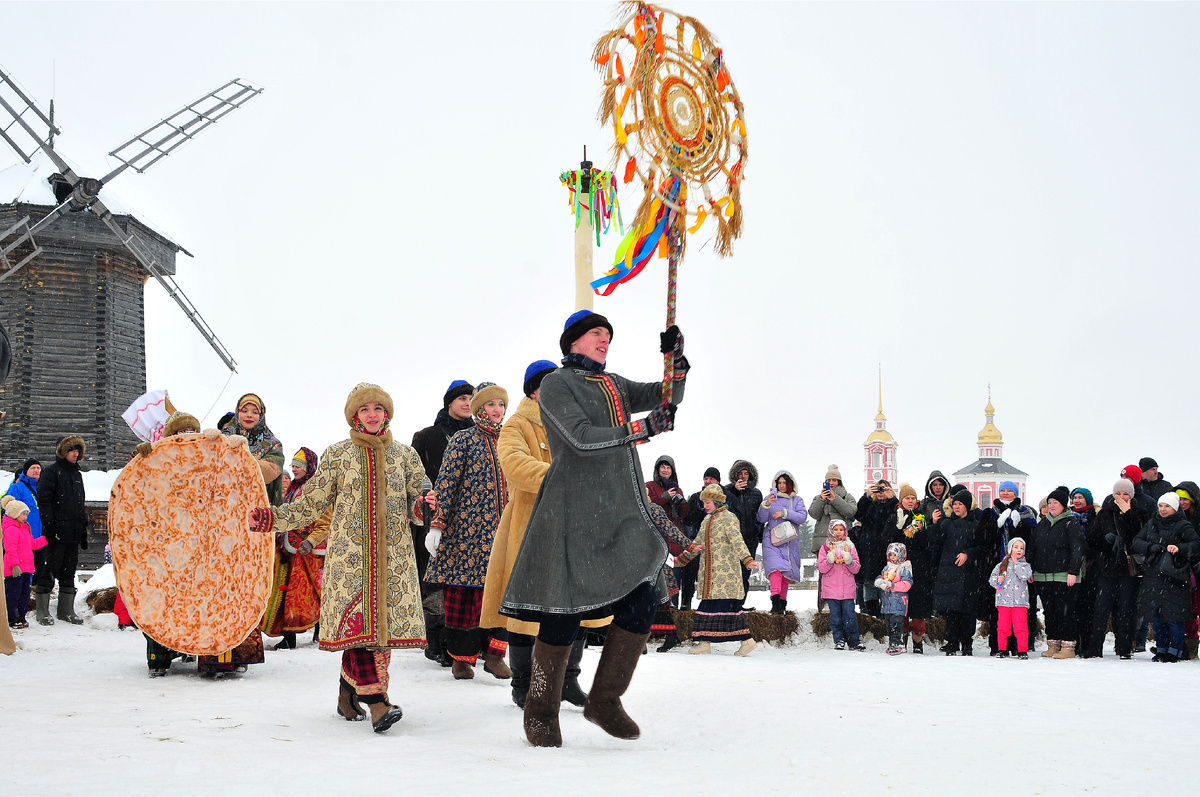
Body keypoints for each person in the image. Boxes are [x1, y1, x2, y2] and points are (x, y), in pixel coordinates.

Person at [499, 310, 687, 748]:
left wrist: (675, 360)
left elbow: (667, 396)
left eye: (608, 334)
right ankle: (540, 710)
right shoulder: (557, 384)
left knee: (643, 598)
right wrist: (643, 428)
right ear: (573, 342)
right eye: (596, 333)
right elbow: (581, 438)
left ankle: (604, 699)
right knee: (563, 615)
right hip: (571, 511)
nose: (605, 340)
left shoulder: (614, 383)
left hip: (617, 511)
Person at [251, 382, 435, 732]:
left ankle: (346, 694)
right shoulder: (337, 455)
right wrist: (271, 518)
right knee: (358, 628)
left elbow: (417, 503)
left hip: (393, 560)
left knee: (378, 633)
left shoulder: (405, 455)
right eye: (365, 409)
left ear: (387, 413)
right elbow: (310, 504)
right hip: (350, 561)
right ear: (354, 416)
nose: (372, 415)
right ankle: (378, 702)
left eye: (378, 408)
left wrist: (424, 506)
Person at [480, 360, 606, 708]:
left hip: (575, 527)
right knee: (526, 611)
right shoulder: (516, 425)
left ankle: (567, 680)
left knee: (577, 607)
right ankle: (522, 684)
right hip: (531, 526)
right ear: (534, 391)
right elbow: (514, 465)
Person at [425, 382, 512, 682]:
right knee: (465, 596)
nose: (497, 410)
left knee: (501, 593)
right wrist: (437, 524)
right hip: (467, 535)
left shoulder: (511, 439)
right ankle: (461, 659)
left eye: (501, 404)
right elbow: (446, 484)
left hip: (504, 532)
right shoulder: (463, 440)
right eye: (491, 404)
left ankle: (496, 654)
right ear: (479, 408)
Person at [203, 394, 282, 676]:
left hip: (251, 527)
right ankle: (213, 655)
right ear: (237, 412)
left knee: (246, 587)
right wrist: (208, 446)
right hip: (220, 525)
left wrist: (243, 456)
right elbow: (202, 468)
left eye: (254, 411)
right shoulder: (220, 438)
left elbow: (271, 472)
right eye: (244, 410)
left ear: (261, 415)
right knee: (216, 587)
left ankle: (240, 653)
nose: (249, 415)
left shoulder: (271, 444)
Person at [411, 379, 475, 666]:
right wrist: (425, 502)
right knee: (434, 575)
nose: (467, 403)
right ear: (449, 402)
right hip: (432, 516)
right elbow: (415, 478)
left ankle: (460, 640)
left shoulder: (479, 436)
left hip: (470, 519)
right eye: (462, 398)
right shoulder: (427, 436)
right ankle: (434, 638)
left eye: (471, 398)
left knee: (464, 577)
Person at [677, 484, 757, 657]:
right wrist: (680, 560)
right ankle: (704, 643)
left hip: (725, 577)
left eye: (708, 502)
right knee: (707, 608)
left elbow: (737, 541)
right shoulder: (707, 520)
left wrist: (747, 559)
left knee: (728, 610)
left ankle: (746, 641)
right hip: (710, 576)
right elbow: (697, 544)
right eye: (704, 502)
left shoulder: (729, 518)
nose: (705, 505)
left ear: (717, 501)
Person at [261, 447, 327, 651]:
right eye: (293, 466)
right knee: (286, 594)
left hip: (308, 551)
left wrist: (311, 541)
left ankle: (320, 628)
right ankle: (289, 636)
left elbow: (323, 520)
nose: (295, 469)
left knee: (311, 593)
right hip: (288, 549)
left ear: (309, 468)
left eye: (299, 466)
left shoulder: (316, 490)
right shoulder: (291, 490)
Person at [1131, 492, 1199, 662]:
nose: (1163, 509)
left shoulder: (1183, 525)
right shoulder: (1152, 523)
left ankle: (1175, 651)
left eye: (1167, 506)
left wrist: (1179, 548)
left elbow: (1196, 544)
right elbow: (1136, 541)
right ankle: (1161, 649)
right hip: (1153, 575)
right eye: (1161, 506)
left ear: (1175, 508)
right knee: (1157, 616)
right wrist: (1150, 547)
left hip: (1175, 575)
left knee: (1174, 616)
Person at [975, 481, 1039, 656]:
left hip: (1019, 568)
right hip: (997, 564)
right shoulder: (990, 512)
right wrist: (996, 524)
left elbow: (1032, 540)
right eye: (1002, 490)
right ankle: (998, 646)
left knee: (1019, 612)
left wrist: (1019, 525)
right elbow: (981, 537)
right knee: (998, 610)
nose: (1005, 493)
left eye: (1009, 491)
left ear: (1015, 493)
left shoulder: (1026, 512)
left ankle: (1019, 646)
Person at [1084, 478, 1146, 659]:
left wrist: (1128, 515)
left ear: (1131, 495)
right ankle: (1095, 648)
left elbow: (1140, 536)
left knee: (1125, 610)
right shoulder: (1105, 513)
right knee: (1101, 609)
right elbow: (1092, 540)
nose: (1121, 497)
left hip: (1128, 570)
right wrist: (1106, 539)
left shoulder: (1140, 513)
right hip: (1106, 569)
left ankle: (1124, 648)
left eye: (1125, 494)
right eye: (1118, 493)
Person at [35, 436, 89, 625]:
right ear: (63, 452)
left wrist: (83, 528)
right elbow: (44, 502)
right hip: (57, 531)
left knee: (69, 570)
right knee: (49, 569)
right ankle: (42, 611)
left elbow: (79, 504)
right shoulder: (51, 472)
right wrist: (49, 526)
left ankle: (66, 610)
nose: (75, 454)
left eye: (78, 450)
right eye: (72, 450)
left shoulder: (77, 475)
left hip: (73, 531)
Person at [1032, 487, 1086, 660]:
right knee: (1050, 611)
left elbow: (1077, 549)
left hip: (1065, 576)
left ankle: (1068, 646)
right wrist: (1030, 569)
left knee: (1066, 611)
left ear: (1063, 505)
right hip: (1043, 575)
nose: (1052, 505)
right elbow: (1033, 548)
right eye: (1049, 503)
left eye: (1055, 502)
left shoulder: (1071, 523)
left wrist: (1073, 571)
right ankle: (1053, 644)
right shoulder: (1042, 524)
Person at [931, 490, 983, 655]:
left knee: (967, 612)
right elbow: (936, 545)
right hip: (948, 572)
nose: (957, 507)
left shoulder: (975, 524)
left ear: (967, 506)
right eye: (955, 504)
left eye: (960, 504)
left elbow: (982, 547)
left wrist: (968, 553)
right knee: (951, 612)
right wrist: (934, 524)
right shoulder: (946, 524)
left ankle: (967, 644)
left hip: (968, 573)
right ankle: (952, 643)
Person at [757, 470, 807, 615]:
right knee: (775, 569)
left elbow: (802, 517)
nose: (782, 485)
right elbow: (761, 518)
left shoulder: (797, 500)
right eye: (779, 483)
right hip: (772, 539)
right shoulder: (769, 498)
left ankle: (783, 603)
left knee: (786, 572)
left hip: (790, 541)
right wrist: (766, 504)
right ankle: (775, 602)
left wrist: (784, 513)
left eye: (784, 482)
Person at [808, 464, 857, 611]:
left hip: (842, 543)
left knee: (842, 574)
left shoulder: (847, 497)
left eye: (834, 480)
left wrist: (836, 500)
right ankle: (824, 605)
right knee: (824, 574)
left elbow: (851, 512)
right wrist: (822, 500)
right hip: (822, 542)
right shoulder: (819, 497)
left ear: (839, 481)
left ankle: (842, 604)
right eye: (828, 480)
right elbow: (813, 514)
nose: (831, 483)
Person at [892, 482, 934, 653]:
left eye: (913, 498)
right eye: (907, 498)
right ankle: (901, 638)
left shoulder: (921, 517)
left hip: (918, 567)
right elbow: (888, 540)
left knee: (917, 606)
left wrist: (922, 529)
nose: (910, 501)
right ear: (901, 500)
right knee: (901, 604)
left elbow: (927, 544)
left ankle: (918, 640)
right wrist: (898, 527)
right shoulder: (895, 516)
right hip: (900, 568)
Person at [5, 461, 44, 624]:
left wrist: (47, 537)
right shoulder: (17, 488)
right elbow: (11, 507)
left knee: (25, 589)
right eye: (33, 468)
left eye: (38, 468)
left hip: (33, 536)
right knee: (14, 589)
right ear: (26, 470)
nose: (36, 470)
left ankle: (21, 615)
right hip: (21, 539)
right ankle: (12, 616)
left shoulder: (43, 486)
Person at [817, 519, 863, 650]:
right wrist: (829, 561)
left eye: (841, 529)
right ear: (831, 531)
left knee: (850, 616)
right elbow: (821, 568)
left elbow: (856, 568)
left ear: (845, 531)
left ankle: (854, 641)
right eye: (836, 529)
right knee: (835, 618)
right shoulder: (825, 547)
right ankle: (839, 640)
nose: (838, 532)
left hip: (847, 589)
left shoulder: (850, 546)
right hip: (831, 589)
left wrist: (849, 561)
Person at [853, 479, 897, 617]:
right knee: (869, 584)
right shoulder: (870, 505)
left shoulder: (893, 505)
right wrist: (866, 497)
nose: (881, 492)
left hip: (887, 551)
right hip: (869, 551)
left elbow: (898, 516)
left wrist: (892, 499)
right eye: (878, 489)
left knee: (886, 584)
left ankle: (885, 617)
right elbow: (858, 515)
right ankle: (871, 615)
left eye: (884, 489)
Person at [680, 467, 722, 610]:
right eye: (706, 478)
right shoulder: (695, 497)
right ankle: (686, 602)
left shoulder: (724, 498)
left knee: (713, 576)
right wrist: (700, 511)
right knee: (689, 571)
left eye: (711, 479)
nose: (708, 481)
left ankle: (711, 606)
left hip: (716, 544)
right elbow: (687, 520)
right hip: (697, 541)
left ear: (718, 481)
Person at [724, 459, 764, 607]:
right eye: (740, 473)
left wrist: (759, 534)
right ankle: (729, 605)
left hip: (751, 540)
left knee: (745, 574)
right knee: (731, 574)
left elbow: (760, 516)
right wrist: (734, 491)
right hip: (732, 540)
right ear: (734, 474)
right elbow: (724, 508)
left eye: (746, 473)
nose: (743, 476)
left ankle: (739, 605)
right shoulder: (727, 490)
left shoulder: (756, 493)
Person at [988, 537, 1033, 659]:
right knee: (1003, 627)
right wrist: (998, 580)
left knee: (1021, 627)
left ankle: (1022, 650)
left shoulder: (1025, 566)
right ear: (1010, 549)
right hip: (1004, 602)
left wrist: (1016, 563)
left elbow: (1025, 576)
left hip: (1020, 603)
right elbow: (992, 579)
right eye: (1016, 547)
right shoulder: (1001, 565)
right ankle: (1002, 649)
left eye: (1021, 548)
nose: (1019, 550)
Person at [1070, 487, 1100, 657]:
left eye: (1080, 497)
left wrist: (1085, 549)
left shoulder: (1094, 518)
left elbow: (1096, 541)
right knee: (1073, 608)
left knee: (1087, 609)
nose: (1077, 500)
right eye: (1075, 497)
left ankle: (1087, 644)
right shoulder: (1069, 517)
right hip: (1072, 567)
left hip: (1090, 567)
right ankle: (1073, 642)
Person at [876, 542, 912, 656]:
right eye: (890, 555)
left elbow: (907, 584)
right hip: (887, 602)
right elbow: (882, 576)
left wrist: (893, 586)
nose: (892, 557)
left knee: (896, 624)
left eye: (894, 555)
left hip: (898, 602)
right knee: (889, 624)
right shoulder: (887, 567)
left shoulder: (904, 569)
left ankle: (898, 644)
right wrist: (880, 581)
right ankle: (892, 644)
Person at [3, 497, 34, 628]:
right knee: (13, 594)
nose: (25, 517)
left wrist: (46, 540)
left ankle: (21, 616)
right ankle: (12, 618)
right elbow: (10, 549)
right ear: (14, 514)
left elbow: (32, 544)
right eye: (23, 514)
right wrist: (14, 565)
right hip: (15, 569)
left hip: (26, 568)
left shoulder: (24, 529)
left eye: (26, 514)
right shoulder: (11, 529)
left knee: (24, 594)